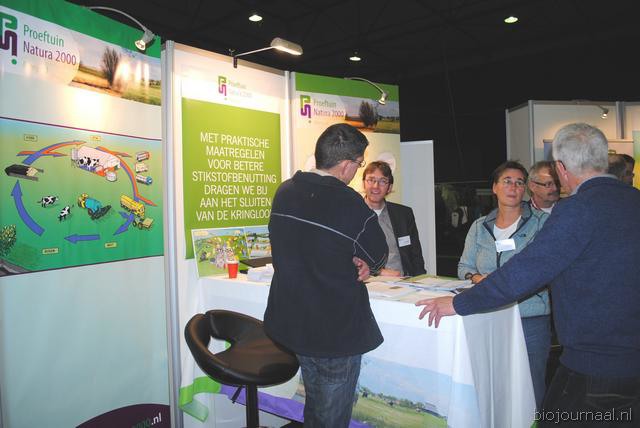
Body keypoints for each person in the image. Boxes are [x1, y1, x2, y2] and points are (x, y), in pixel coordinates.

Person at [416, 123, 640, 427]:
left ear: (561, 169)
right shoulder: (633, 201)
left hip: (595, 369)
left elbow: (524, 272)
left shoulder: (576, 210)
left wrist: (458, 303)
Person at [264, 123, 388, 427]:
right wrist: (363, 262)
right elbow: (378, 255)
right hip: (335, 331)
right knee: (331, 416)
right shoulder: (350, 203)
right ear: (346, 165)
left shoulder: (285, 191)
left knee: (315, 408)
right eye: (359, 164)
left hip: (293, 323)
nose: (356, 170)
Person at [458, 160, 550, 408]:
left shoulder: (542, 223)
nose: (513, 187)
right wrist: (479, 279)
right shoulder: (479, 226)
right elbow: (464, 267)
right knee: (494, 387)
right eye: (507, 181)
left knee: (531, 389)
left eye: (519, 182)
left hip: (529, 318)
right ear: (495, 187)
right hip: (489, 317)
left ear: (525, 189)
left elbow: (543, 270)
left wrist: (502, 283)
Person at [362, 160, 427, 277]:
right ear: (364, 183)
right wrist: (379, 272)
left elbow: (416, 255)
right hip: (366, 283)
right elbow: (346, 256)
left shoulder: (403, 214)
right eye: (371, 180)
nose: (376, 186)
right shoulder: (351, 213)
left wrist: (421, 280)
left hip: (403, 281)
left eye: (383, 181)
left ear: (389, 187)